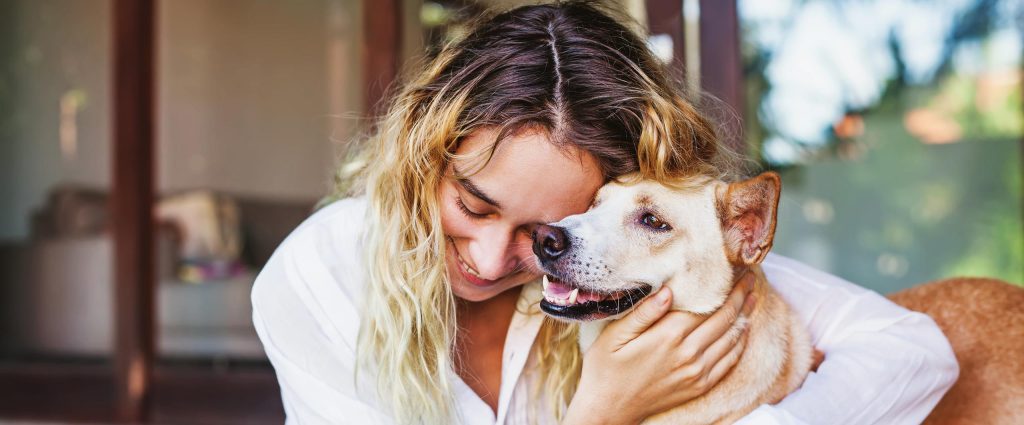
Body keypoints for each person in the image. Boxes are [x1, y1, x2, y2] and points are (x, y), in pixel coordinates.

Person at [251, 2, 958, 424]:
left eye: (545, 233)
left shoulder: (616, 259)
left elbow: (915, 350)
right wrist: (603, 408)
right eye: (472, 204)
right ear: (423, 156)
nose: (494, 261)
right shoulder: (322, 272)